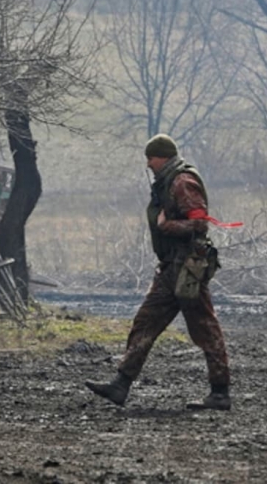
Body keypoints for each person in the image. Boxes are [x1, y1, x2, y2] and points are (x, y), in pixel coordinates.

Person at [85, 134, 231, 410]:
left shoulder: (182, 182)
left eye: (151, 158)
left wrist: (168, 226)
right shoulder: (168, 181)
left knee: (204, 328)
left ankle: (220, 392)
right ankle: (120, 384)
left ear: (163, 156)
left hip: (187, 269)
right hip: (171, 268)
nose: (148, 164)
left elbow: (200, 225)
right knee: (145, 322)